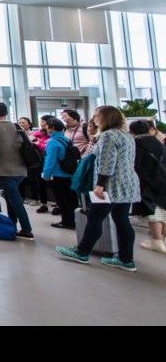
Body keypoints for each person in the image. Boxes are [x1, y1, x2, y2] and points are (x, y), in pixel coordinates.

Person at [56, 106, 141, 271]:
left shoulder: (108, 136)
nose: (93, 119)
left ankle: (82, 252)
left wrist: (100, 184)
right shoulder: (126, 136)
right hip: (127, 183)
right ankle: (126, 259)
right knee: (122, 220)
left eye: (96, 116)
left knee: (95, 217)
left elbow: (107, 162)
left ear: (105, 118)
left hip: (110, 185)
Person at [0, 101, 34, 240]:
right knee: (11, 196)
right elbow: (26, 145)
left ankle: (27, 229)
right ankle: (13, 224)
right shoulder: (17, 127)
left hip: (4, 170)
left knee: (15, 198)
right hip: (21, 168)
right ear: (6, 112)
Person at [129, 120, 166, 254]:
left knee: (152, 211)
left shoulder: (136, 143)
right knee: (163, 209)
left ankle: (156, 240)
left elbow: (135, 164)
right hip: (162, 179)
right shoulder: (157, 142)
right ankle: (161, 239)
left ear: (131, 131)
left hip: (147, 181)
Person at [42, 117, 77, 230]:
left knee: (61, 200)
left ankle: (67, 221)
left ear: (52, 128)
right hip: (68, 173)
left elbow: (50, 160)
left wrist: (46, 175)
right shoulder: (66, 140)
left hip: (57, 174)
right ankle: (73, 219)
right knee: (70, 198)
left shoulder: (52, 142)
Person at [29, 115, 52, 214]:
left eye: (43, 121)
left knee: (52, 184)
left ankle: (58, 204)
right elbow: (31, 141)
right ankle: (43, 204)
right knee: (40, 183)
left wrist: (39, 144)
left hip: (49, 161)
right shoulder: (37, 133)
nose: (41, 123)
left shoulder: (53, 135)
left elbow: (47, 147)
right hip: (39, 161)